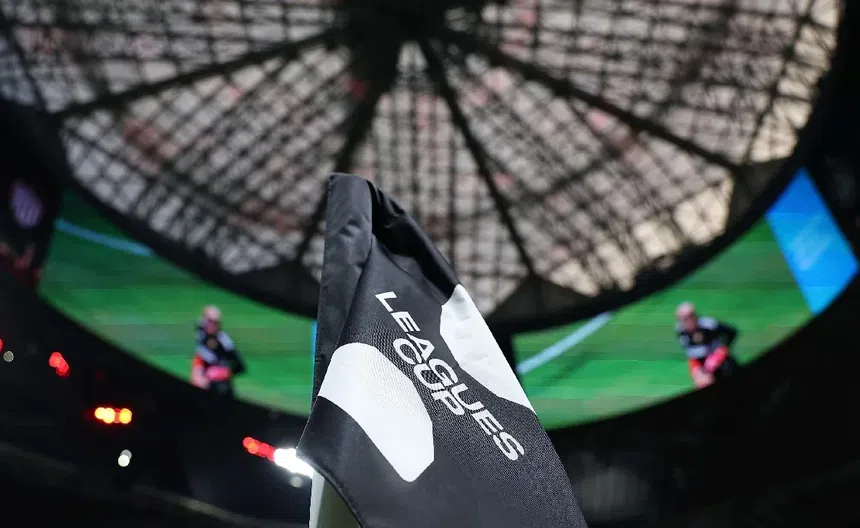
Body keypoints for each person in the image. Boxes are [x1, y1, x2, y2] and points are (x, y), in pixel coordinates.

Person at [675, 302, 740, 389]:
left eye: (690, 316)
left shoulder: (709, 324)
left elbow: (732, 332)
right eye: (683, 319)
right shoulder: (680, 330)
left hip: (721, 363)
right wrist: (696, 369)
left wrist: (721, 351)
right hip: (701, 365)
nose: (688, 321)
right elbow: (690, 352)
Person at [191, 305, 247, 396]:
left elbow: (240, 366)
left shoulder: (225, 342)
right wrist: (198, 372)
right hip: (204, 377)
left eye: (215, 322)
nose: (212, 325)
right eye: (209, 321)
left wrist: (221, 372)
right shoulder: (201, 333)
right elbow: (200, 356)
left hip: (220, 385)